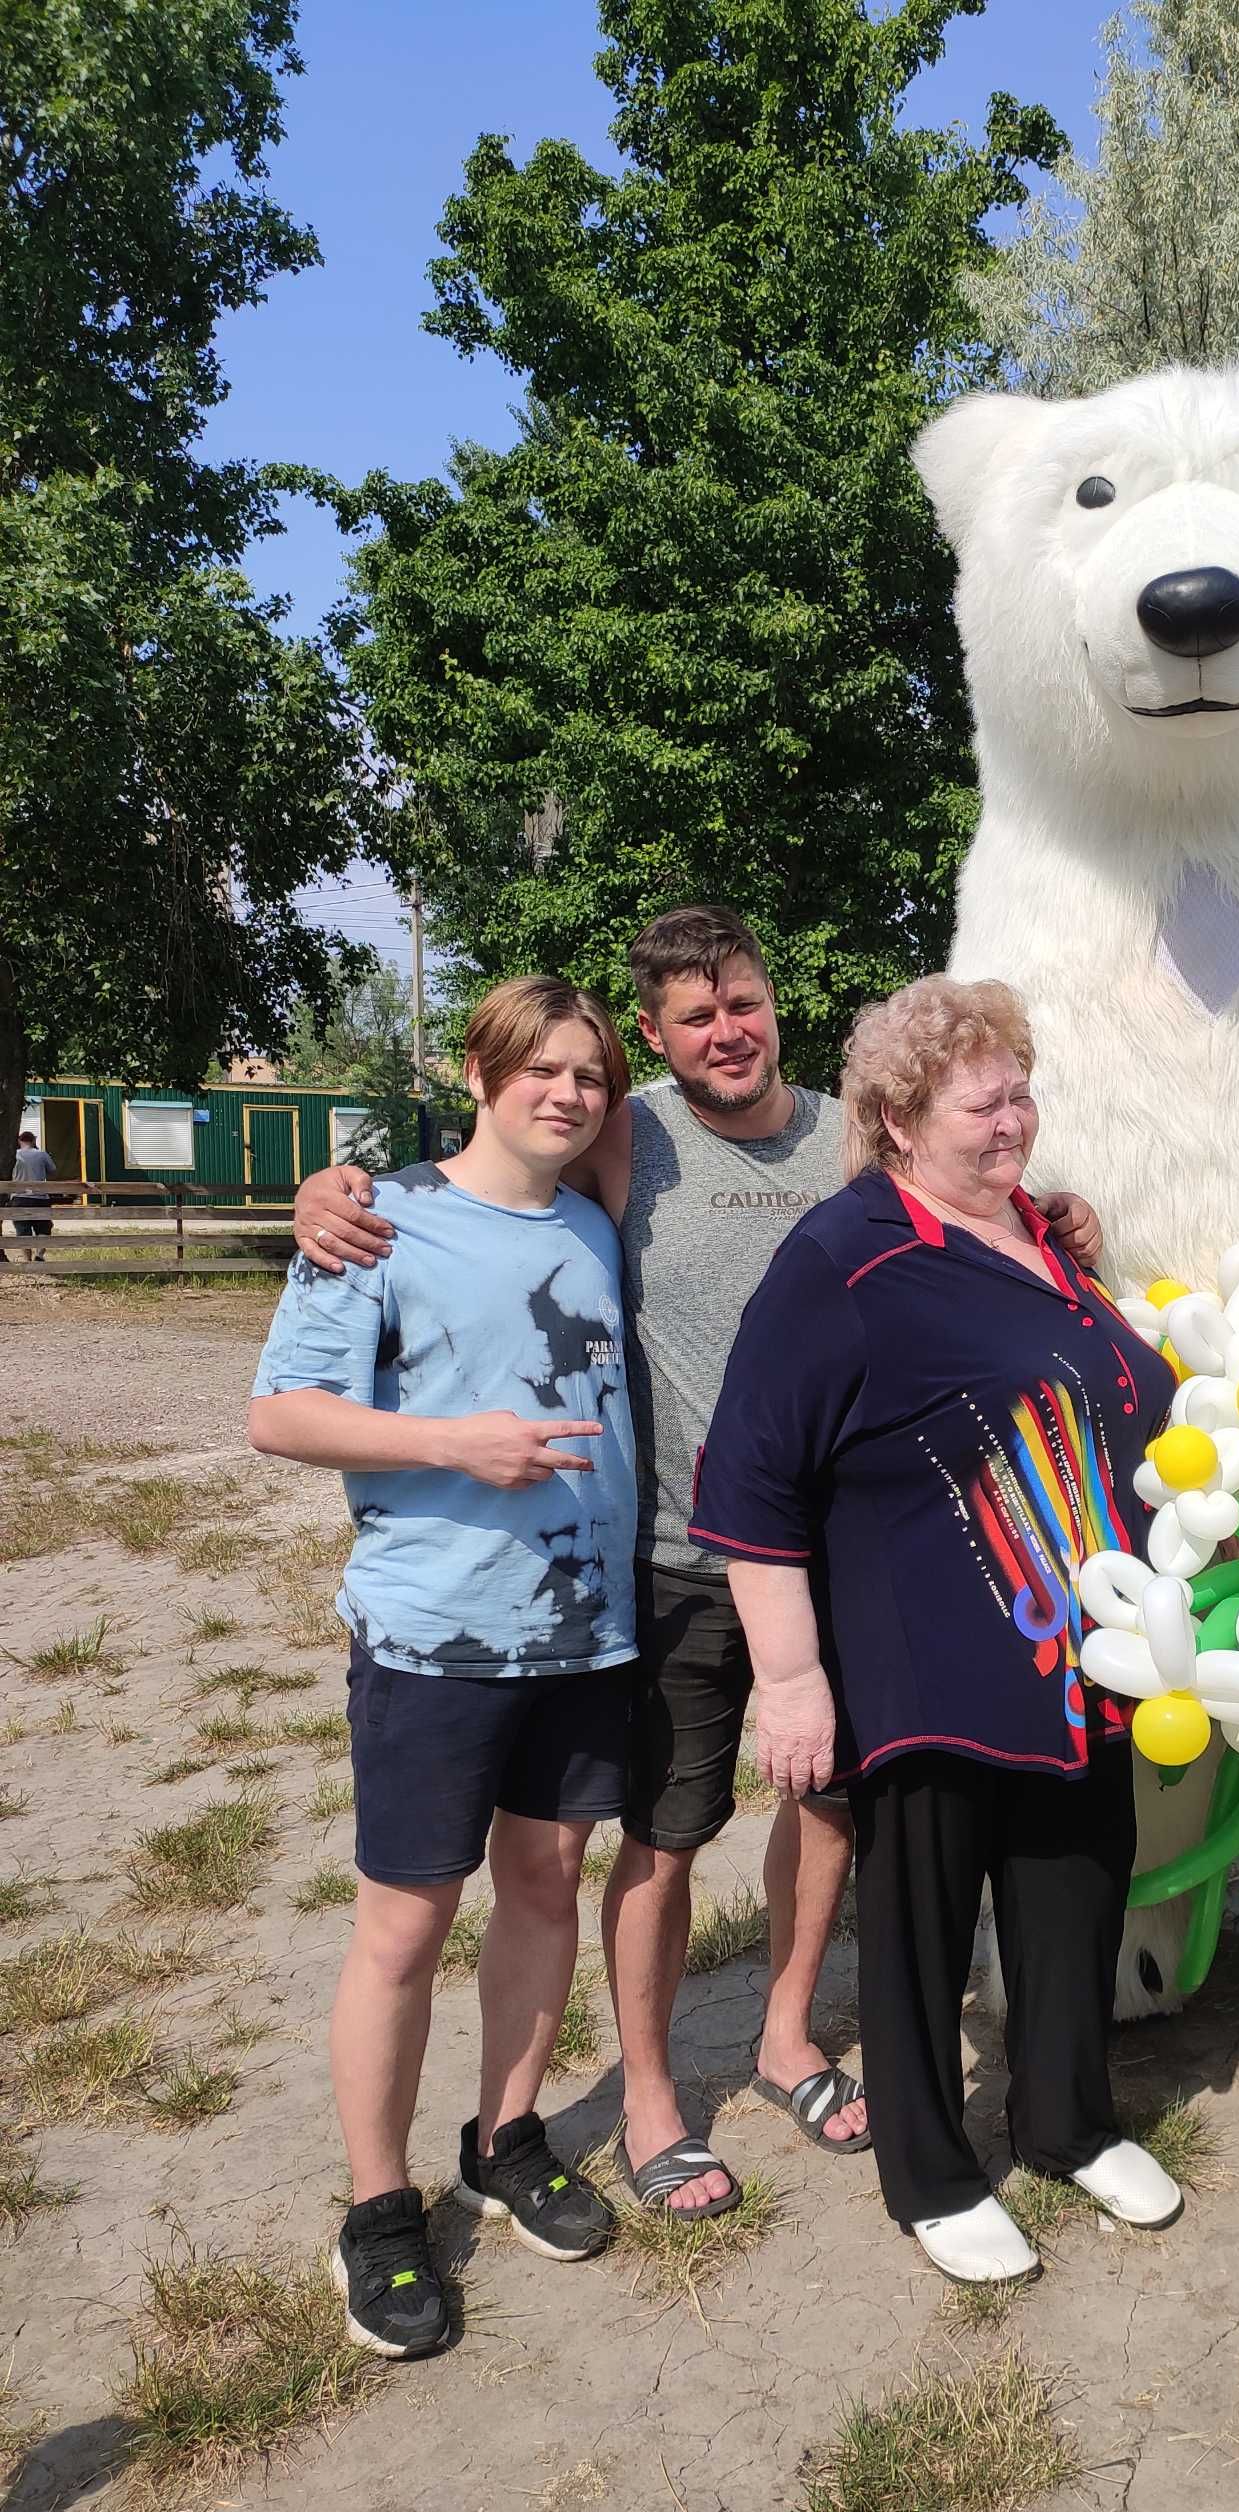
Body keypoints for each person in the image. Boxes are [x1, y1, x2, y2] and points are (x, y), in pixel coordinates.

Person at [291, 904, 1103, 2220]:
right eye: (692, 1015)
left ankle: (787, 2033)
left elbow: (973, 1191)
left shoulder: (857, 1126)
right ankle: (654, 2091)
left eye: (744, 1001)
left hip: (845, 1553)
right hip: (675, 1557)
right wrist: (337, 1187)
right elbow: (491, 1145)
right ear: (657, 1037)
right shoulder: (628, 1130)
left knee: (831, 1804)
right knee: (664, 1837)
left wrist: (1054, 1208)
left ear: (774, 1001)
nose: (727, 1030)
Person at [690, 975, 1182, 2286]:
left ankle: (1069, 2118)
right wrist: (790, 1677)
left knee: (1075, 1889)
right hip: (931, 1664)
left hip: (1081, 1656)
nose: (1015, 1118)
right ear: (900, 1118)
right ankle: (933, 2173)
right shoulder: (843, 1256)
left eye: (1021, 1088)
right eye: (985, 1100)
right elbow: (749, 1479)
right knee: (918, 1926)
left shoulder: (1036, 1229)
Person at [250, 977, 635, 2355]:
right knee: (403, 1926)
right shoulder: (379, 1222)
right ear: (481, 1071)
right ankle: (376, 2206)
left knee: (545, 1881)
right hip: (434, 1638)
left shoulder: (595, 1223)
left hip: (586, 1631)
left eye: (589, 1073)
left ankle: (507, 2133)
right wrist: (453, 1443)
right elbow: (279, 1414)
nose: (567, 1092)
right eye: (540, 1067)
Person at [8, 1132, 57, 1261]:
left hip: (19, 1198)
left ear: (19, 1140)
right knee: (44, 1228)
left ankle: (27, 1261)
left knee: (22, 1230)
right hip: (40, 1197)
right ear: (33, 1140)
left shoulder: (15, 1155)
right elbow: (52, 1170)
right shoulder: (41, 1154)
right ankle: (39, 1255)